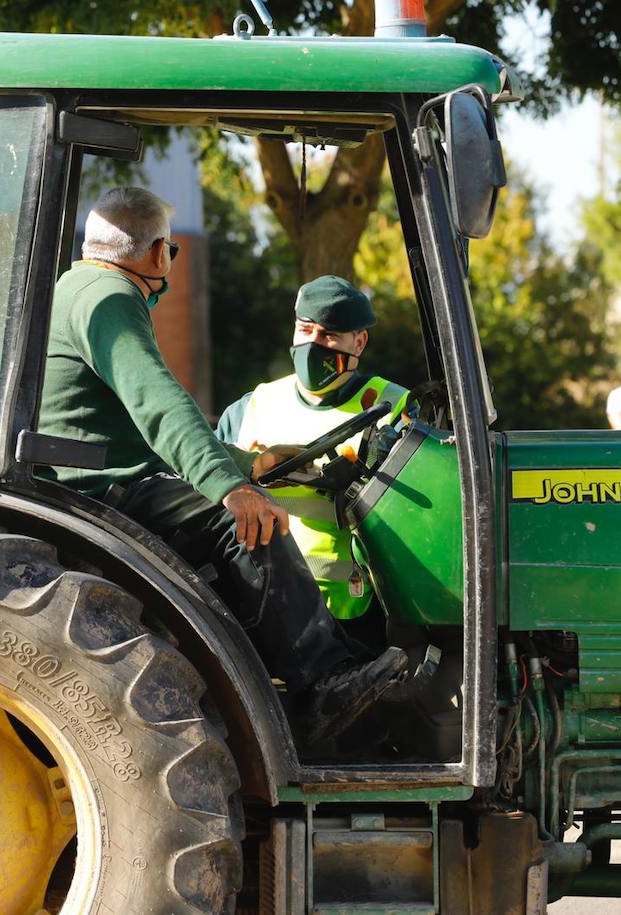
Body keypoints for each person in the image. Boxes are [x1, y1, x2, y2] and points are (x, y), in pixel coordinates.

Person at [36, 187, 408, 747]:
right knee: (250, 523)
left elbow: (133, 425)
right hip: (100, 487)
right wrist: (233, 487)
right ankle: (322, 684)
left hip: (94, 472)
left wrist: (250, 462)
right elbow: (158, 403)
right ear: (160, 253)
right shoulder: (110, 296)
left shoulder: (74, 287)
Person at [216, 275, 409, 622]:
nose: (312, 344)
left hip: (362, 609)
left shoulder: (395, 407)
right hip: (262, 607)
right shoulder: (252, 408)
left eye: (328, 335)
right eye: (305, 330)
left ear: (359, 342)